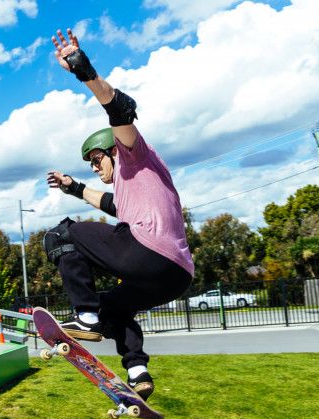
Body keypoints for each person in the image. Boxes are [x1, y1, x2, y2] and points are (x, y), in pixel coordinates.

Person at [42, 28, 195, 400]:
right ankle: (138, 371)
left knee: (62, 234)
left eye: (97, 159)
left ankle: (85, 315)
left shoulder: (133, 154)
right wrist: (73, 187)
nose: (96, 167)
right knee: (114, 307)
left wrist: (84, 70)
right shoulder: (135, 191)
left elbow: (119, 109)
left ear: (112, 150)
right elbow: (110, 206)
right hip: (175, 275)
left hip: (147, 252)